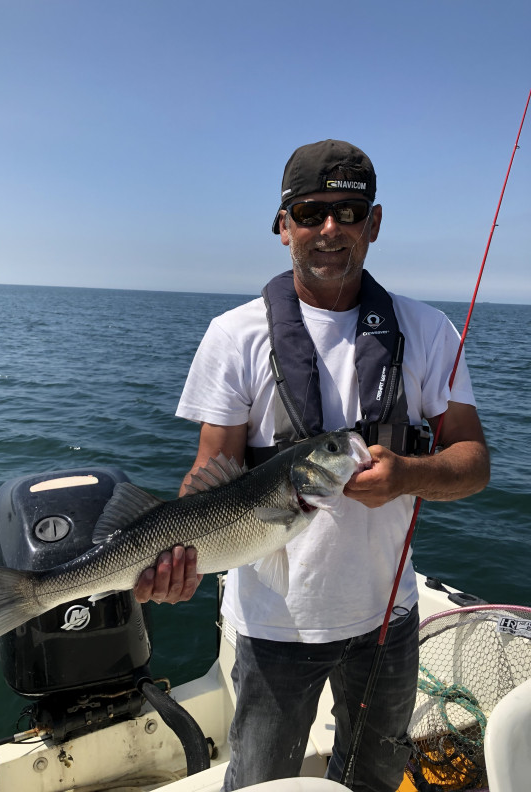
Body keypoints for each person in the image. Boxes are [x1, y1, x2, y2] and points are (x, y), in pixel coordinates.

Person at [134, 139, 490, 792]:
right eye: (309, 211)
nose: (329, 229)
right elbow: (210, 471)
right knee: (262, 779)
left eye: (348, 212)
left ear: (373, 224)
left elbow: (471, 463)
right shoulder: (233, 335)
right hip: (272, 625)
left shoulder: (429, 332)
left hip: (389, 619)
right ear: (283, 225)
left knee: (377, 773)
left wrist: (409, 476)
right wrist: (173, 556)